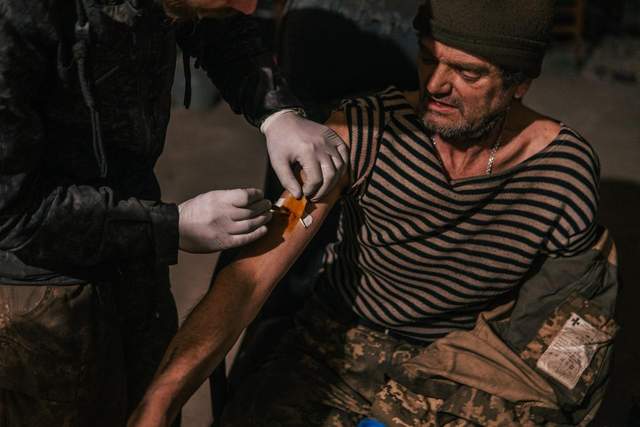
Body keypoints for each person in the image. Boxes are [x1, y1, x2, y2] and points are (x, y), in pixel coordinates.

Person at [131, 1, 616, 425]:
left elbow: (569, 328)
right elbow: (249, 280)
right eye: (428, 57)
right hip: (339, 342)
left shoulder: (562, 172)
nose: (436, 85)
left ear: (519, 83)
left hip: (461, 363)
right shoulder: (363, 129)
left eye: (468, 74)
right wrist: (161, 398)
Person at [0, 0, 348, 425]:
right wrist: (170, 225)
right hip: (38, 283)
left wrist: (276, 112)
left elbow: (221, 29)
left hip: (135, 259)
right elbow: (12, 213)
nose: (249, 5)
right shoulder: (16, 17)